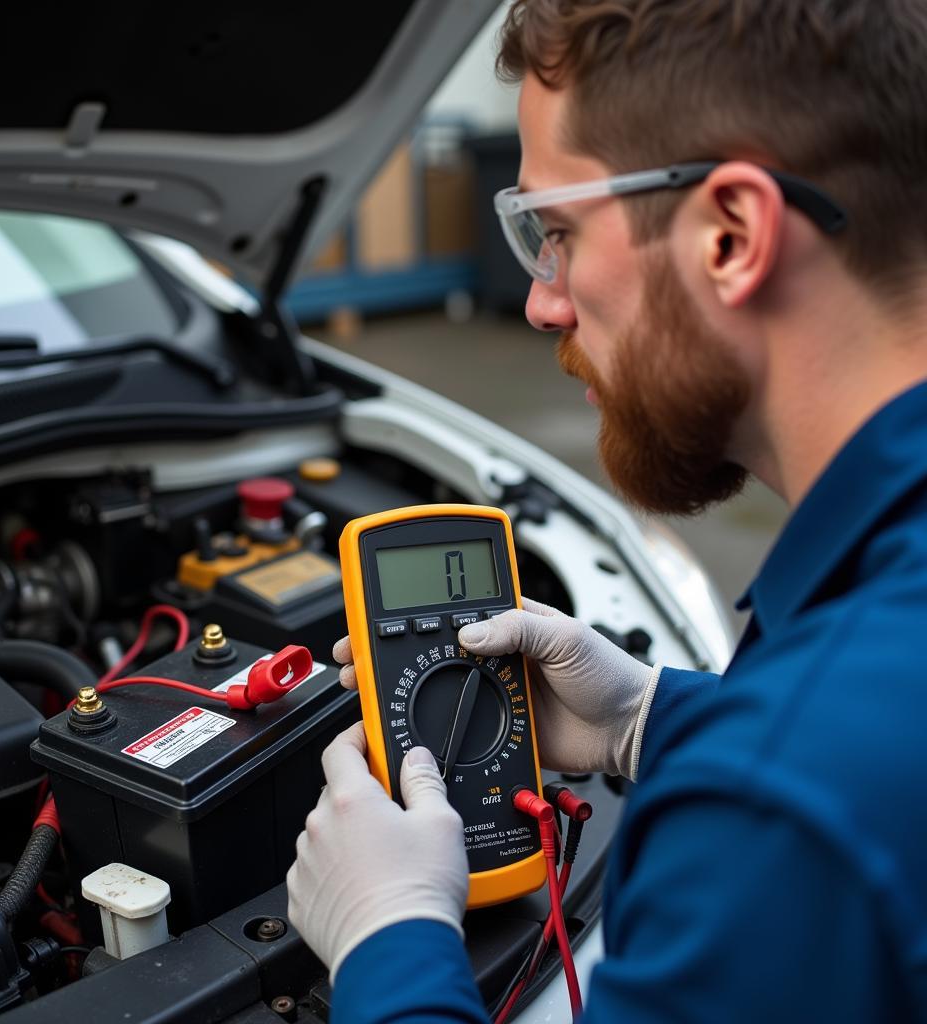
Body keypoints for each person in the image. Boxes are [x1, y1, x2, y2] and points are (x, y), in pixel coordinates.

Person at [287, 0, 927, 1020]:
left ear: (730, 235)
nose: (544, 300)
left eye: (557, 232)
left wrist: (389, 940)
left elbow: (823, 801)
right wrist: (650, 720)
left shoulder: (786, 811)